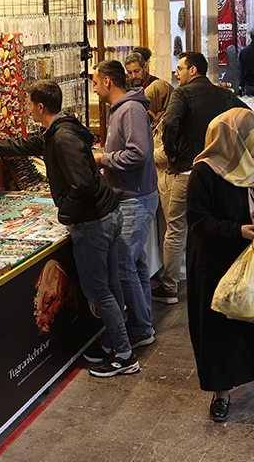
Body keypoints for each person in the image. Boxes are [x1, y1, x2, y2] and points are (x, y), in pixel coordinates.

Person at [0, 81, 136, 377]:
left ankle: (124, 355)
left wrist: (66, 215)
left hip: (93, 222)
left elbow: (82, 185)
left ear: (40, 106)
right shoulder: (58, 130)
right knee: (111, 285)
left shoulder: (62, 138)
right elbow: (25, 145)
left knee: (99, 290)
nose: (27, 108)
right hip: (105, 215)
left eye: (29, 104)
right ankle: (113, 344)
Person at [186, 108, 254, 422]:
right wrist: (237, 231)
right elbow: (198, 221)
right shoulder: (205, 173)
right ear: (236, 139)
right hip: (216, 264)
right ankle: (221, 392)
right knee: (220, 328)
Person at [158, 52, 249, 304]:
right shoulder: (224, 95)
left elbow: (170, 122)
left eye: (180, 68)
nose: (176, 73)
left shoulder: (182, 94)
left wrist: (171, 152)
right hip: (220, 172)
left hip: (188, 169)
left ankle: (170, 287)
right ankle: (213, 280)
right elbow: (247, 116)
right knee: (210, 225)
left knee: (176, 228)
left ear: (193, 70)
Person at [92, 60, 160, 349]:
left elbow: (139, 153)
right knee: (136, 263)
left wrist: (103, 159)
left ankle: (141, 329)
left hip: (136, 197)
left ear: (108, 81)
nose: (95, 88)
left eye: (96, 82)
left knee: (123, 264)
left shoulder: (129, 109)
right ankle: (144, 321)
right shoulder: (120, 109)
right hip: (129, 196)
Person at [124, 50, 174, 121]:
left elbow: (169, 110)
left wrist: (156, 116)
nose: (133, 76)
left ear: (145, 67)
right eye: (129, 72)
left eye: (136, 71)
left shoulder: (156, 85)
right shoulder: (126, 86)